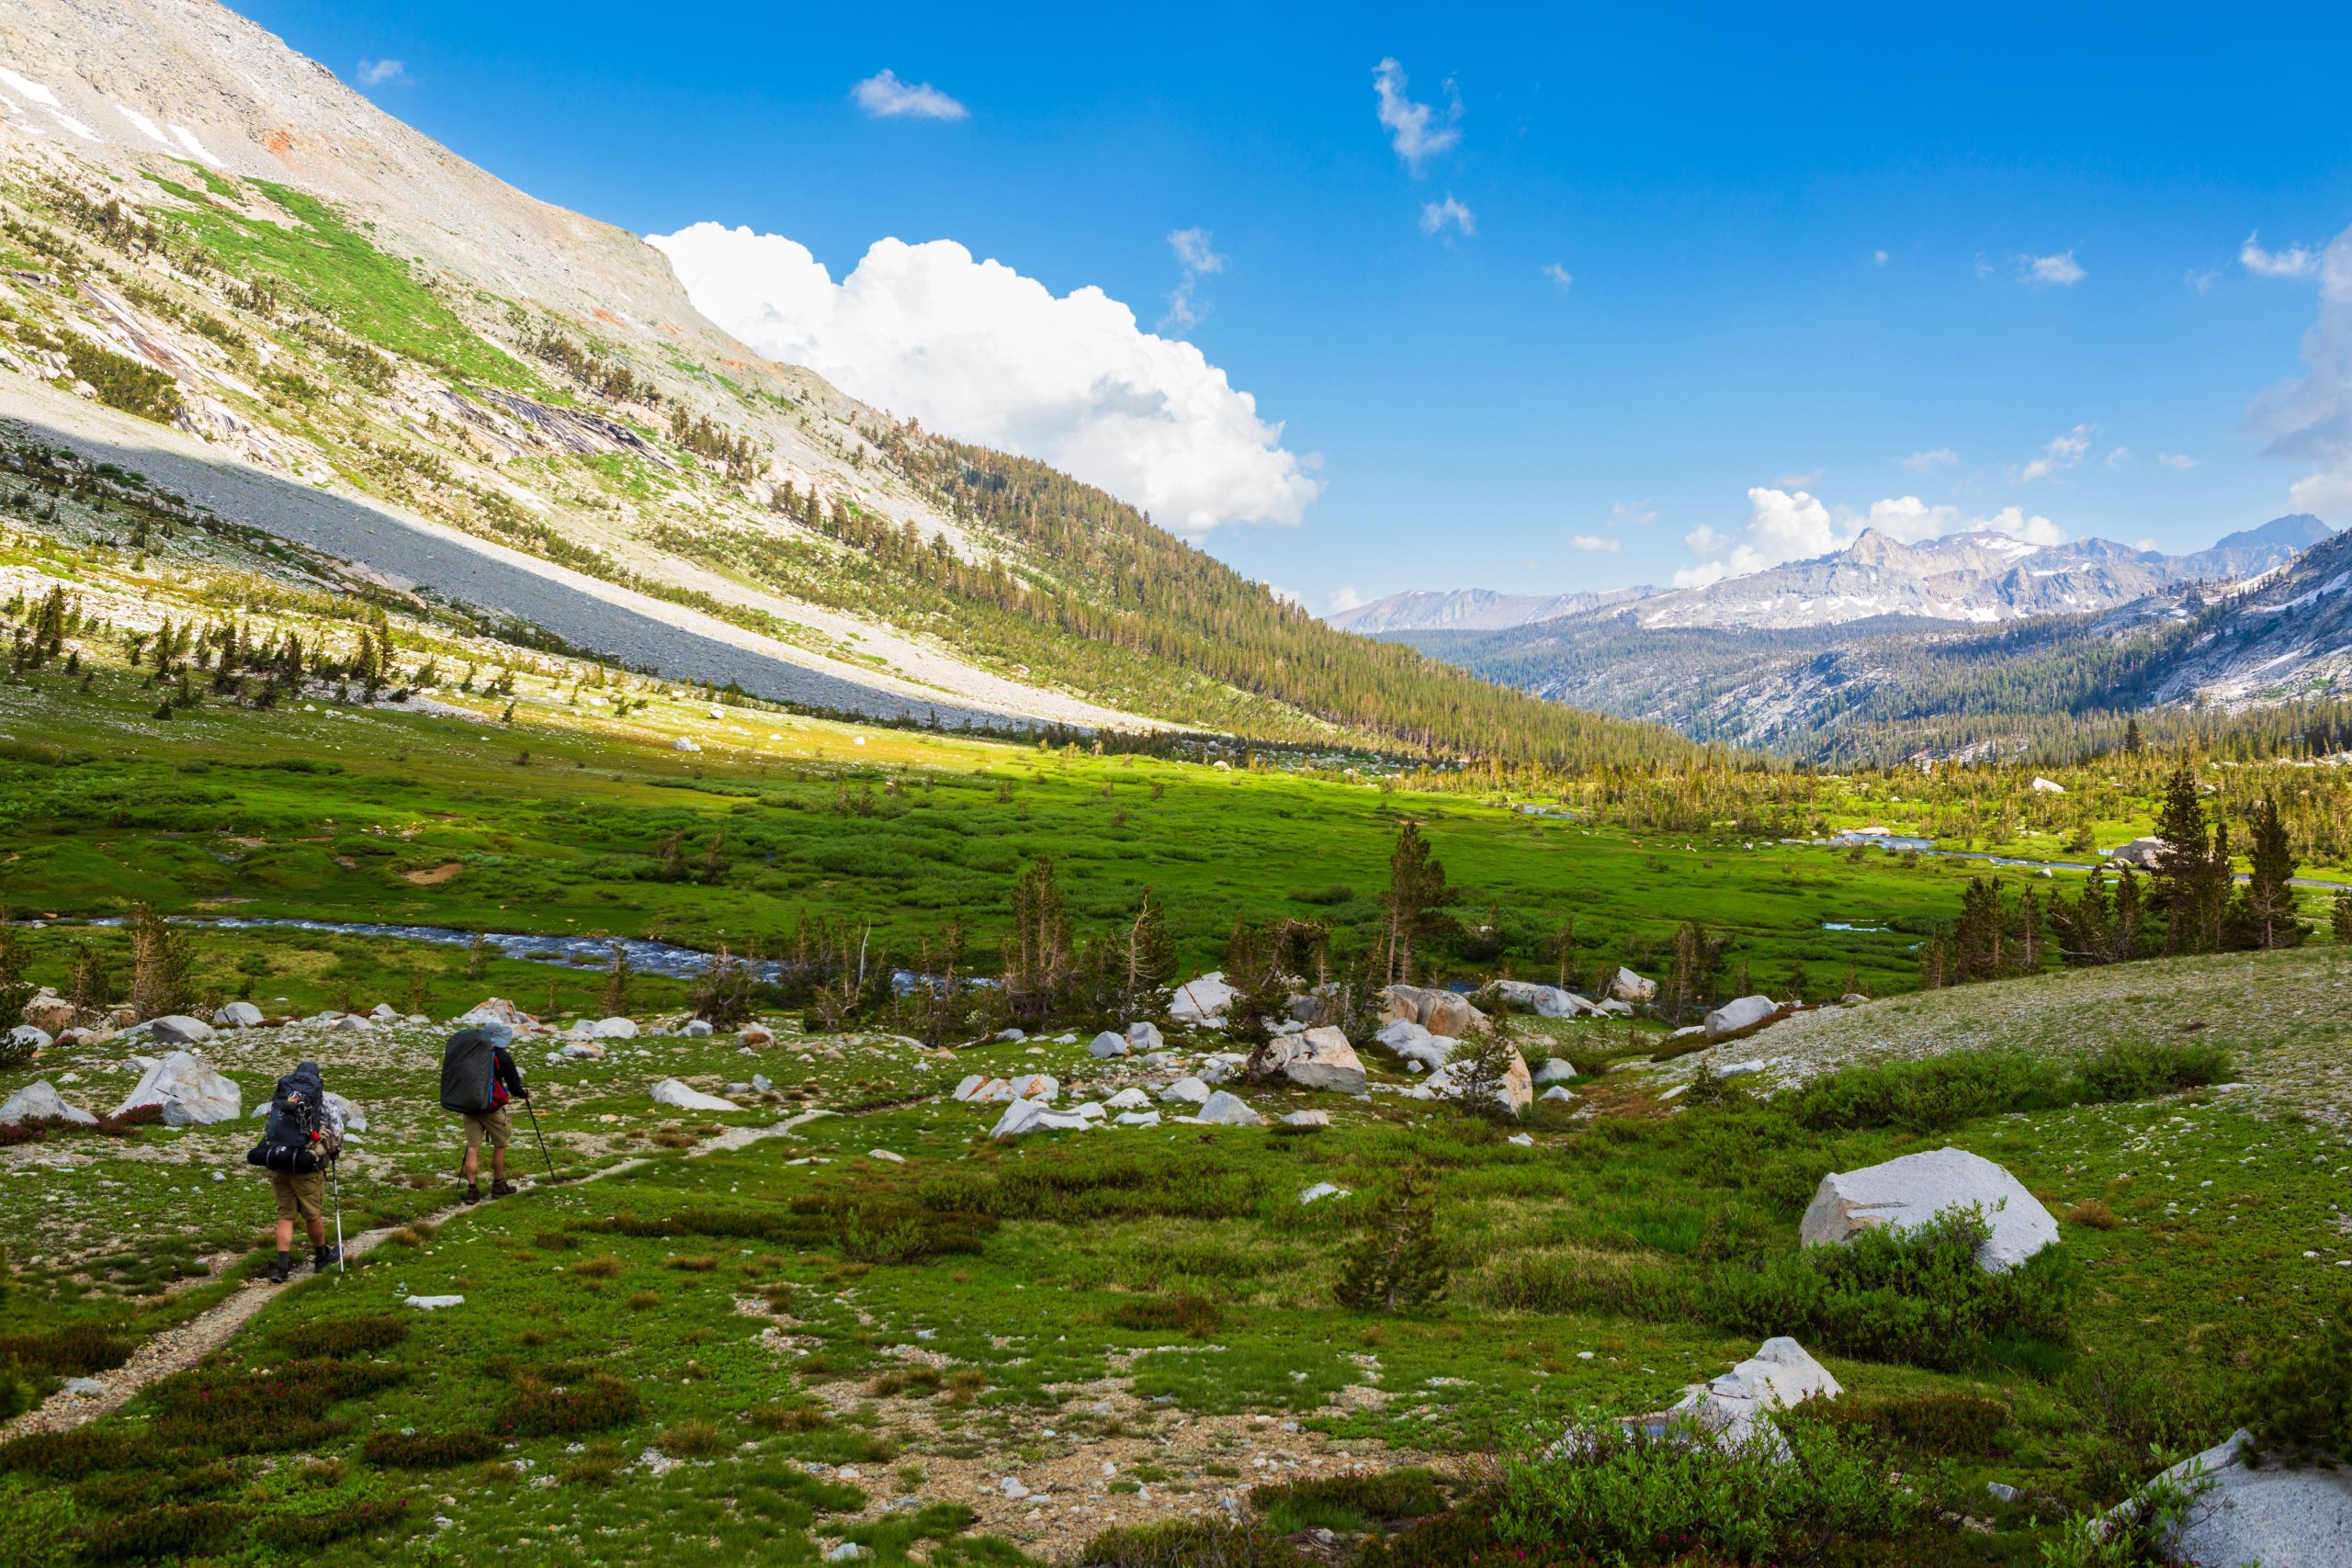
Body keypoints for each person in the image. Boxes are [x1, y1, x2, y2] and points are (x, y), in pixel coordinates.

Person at [254, 1058, 343, 1283]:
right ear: (318, 1079)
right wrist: (332, 1153)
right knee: (312, 1214)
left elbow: (269, 1128)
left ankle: (281, 1269)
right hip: (306, 1163)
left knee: (286, 1216)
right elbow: (337, 1132)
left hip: (279, 1160)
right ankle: (321, 1256)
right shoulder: (323, 1101)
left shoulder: (283, 1098)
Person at [452, 1021, 528, 1202]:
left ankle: (472, 1190)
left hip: (470, 1106)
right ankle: (498, 1185)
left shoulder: (469, 1054)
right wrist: (523, 1094)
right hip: (492, 1108)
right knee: (500, 1145)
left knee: (472, 1148)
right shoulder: (502, 1056)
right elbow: (514, 1086)